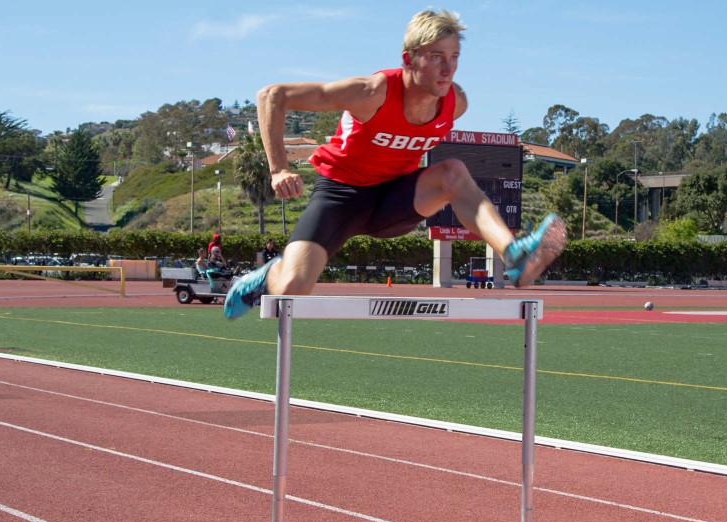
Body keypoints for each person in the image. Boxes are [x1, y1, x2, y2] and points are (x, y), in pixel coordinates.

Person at [224, 9, 565, 319]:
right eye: (436, 57)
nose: (448, 69)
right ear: (409, 59)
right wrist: (279, 168)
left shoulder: (455, 103)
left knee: (453, 172)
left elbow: (452, 184)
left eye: (454, 57)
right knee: (291, 291)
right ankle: (268, 275)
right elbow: (272, 96)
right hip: (341, 196)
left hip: (394, 200)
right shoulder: (371, 92)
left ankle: (514, 255)